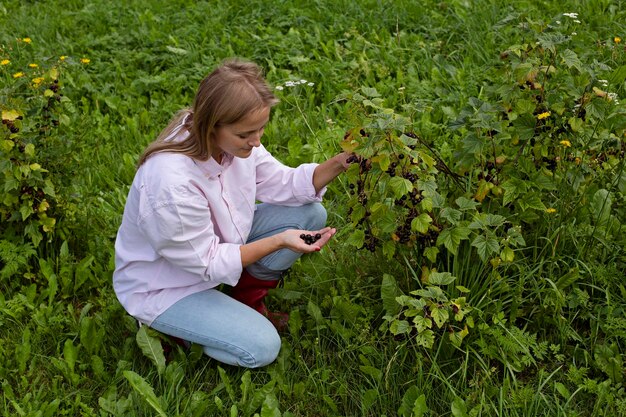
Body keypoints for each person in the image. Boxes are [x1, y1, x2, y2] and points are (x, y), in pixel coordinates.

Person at [113, 58, 351, 368]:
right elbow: (207, 262)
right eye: (245, 134)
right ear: (212, 126)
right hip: (168, 286)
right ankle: (168, 331)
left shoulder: (236, 144)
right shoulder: (172, 183)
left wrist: (339, 163)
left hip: (216, 251)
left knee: (309, 213)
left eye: (261, 129)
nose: (256, 141)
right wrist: (279, 240)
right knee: (261, 347)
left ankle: (245, 302)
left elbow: (281, 182)